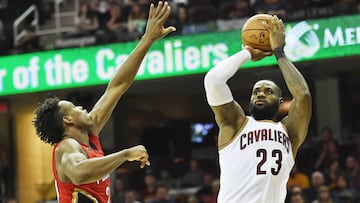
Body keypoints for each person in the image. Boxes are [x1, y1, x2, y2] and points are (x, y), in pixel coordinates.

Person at [32, 1, 176, 202]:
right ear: (68, 121)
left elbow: (117, 86)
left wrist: (147, 40)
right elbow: (79, 172)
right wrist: (125, 154)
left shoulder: (89, 134)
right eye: (75, 107)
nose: (82, 108)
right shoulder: (66, 147)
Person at [203, 15, 312, 203]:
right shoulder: (236, 123)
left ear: (280, 102)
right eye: (256, 92)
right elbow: (213, 80)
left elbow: (302, 96)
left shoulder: (290, 131)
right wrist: (248, 53)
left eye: (268, 91)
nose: (260, 94)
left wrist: (279, 52)